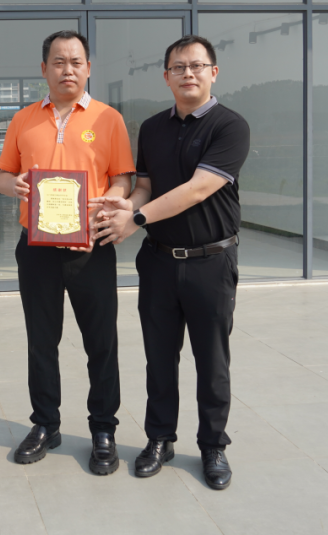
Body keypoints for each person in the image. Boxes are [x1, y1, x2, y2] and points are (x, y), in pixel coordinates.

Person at [91, 35, 250, 490]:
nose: (188, 74)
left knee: (212, 361)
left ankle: (213, 445)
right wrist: (124, 205)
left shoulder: (229, 126)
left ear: (213, 73)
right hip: (159, 262)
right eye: (178, 67)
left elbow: (198, 189)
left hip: (211, 262)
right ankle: (159, 439)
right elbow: (145, 186)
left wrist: (136, 219)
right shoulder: (153, 128)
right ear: (166, 76)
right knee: (159, 359)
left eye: (197, 66)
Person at [0, 30, 134, 476]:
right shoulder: (23, 119)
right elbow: (2, 175)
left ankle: (103, 429)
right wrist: (13, 186)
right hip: (36, 249)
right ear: (44, 69)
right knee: (41, 340)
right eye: (58, 62)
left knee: (101, 342)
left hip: (90, 247)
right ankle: (45, 424)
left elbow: (123, 178)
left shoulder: (109, 118)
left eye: (76, 62)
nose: (67, 70)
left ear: (88, 68)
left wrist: (109, 202)